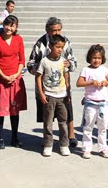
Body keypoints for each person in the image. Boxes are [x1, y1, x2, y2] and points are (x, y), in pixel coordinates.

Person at [27, 17, 78, 147]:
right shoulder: (40, 43)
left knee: (67, 110)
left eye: (59, 30)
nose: (56, 33)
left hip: (62, 84)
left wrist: (69, 63)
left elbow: (73, 62)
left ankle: (70, 135)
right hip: (46, 86)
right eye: (53, 30)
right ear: (47, 30)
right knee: (47, 114)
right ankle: (47, 140)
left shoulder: (65, 42)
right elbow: (30, 63)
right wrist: (41, 67)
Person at [0, 15, 27, 149]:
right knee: (0, 110)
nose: (9, 28)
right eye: (7, 24)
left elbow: (22, 60)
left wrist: (16, 74)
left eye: (12, 25)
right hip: (0, 79)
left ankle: (15, 137)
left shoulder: (18, 39)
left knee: (14, 110)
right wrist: (4, 76)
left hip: (15, 79)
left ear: (16, 27)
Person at [36, 34, 71, 157]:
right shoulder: (44, 61)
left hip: (62, 95)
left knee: (63, 121)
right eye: (57, 47)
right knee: (48, 122)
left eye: (62, 47)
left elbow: (66, 75)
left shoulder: (63, 61)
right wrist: (41, 93)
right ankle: (48, 144)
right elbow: (38, 76)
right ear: (50, 46)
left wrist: (68, 90)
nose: (60, 49)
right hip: (49, 95)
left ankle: (64, 144)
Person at [77, 44, 108, 159]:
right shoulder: (86, 70)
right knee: (88, 127)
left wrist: (104, 83)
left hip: (103, 104)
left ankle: (103, 148)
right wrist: (91, 82)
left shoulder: (104, 70)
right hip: (90, 104)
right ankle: (87, 148)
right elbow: (79, 83)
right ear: (89, 58)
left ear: (102, 59)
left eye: (99, 58)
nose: (96, 60)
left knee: (103, 128)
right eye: (94, 58)